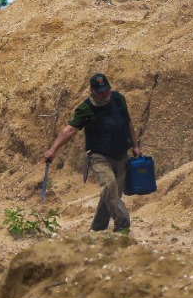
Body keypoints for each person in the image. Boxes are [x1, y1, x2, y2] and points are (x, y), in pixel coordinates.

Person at [41, 73, 141, 233]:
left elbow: (128, 123)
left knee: (111, 194)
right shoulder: (85, 108)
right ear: (92, 91)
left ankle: (97, 228)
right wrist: (53, 149)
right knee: (110, 187)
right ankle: (123, 225)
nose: (105, 93)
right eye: (100, 91)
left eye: (106, 89)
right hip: (100, 157)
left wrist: (135, 146)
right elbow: (70, 129)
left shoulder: (119, 99)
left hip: (122, 155)